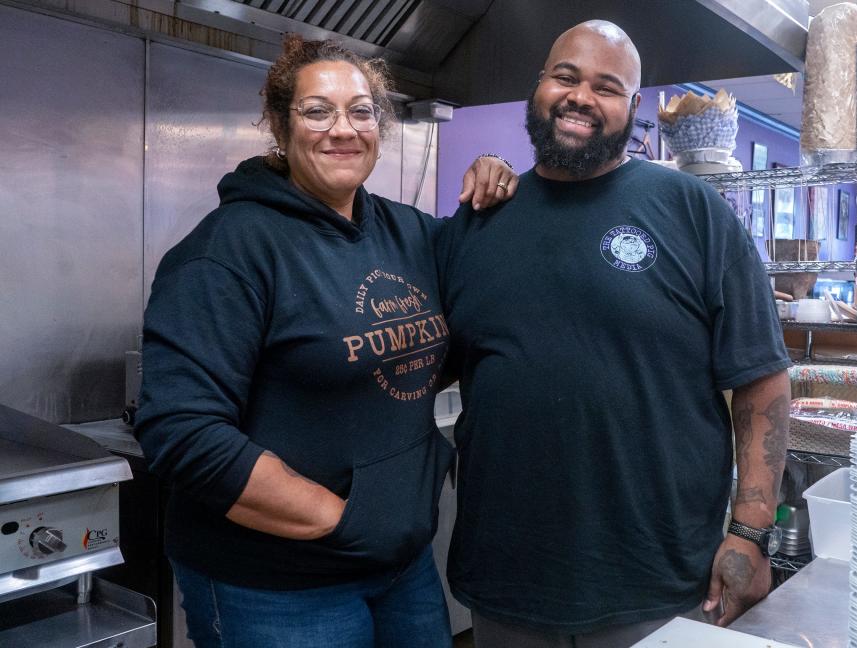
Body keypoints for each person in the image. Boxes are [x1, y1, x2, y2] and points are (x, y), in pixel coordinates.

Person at [135, 35, 516, 648]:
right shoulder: (227, 252)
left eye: (361, 111)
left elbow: (455, 332)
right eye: (318, 111)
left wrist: (498, 181)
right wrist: (346, 521)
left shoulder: (411, 232)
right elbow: (181, 433)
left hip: (403, 569)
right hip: (277, 588)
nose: (343, 129)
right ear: (281, 128)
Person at [436, 20, 792, 647]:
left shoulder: (693, 211)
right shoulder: (476, 224)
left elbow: (761, 378)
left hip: (660, 580)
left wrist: (750, 533)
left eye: (607, 87)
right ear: (540, 86)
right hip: (508, 578)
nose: (579, 97)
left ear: (633, 109)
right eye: (565, 77)